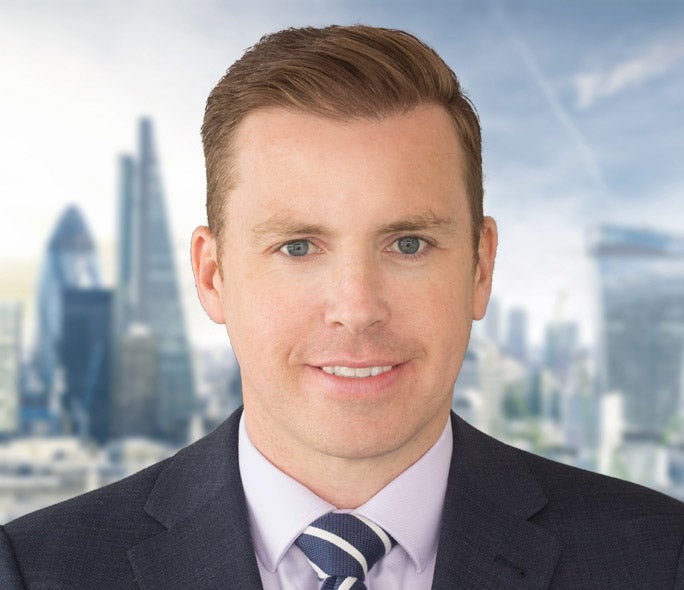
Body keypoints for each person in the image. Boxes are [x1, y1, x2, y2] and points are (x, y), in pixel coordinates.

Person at [1, 24, 683, 590]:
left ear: (480, 268)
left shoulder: (660, 558)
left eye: (408, 244)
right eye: (298, 247)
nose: (356, 309)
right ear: (212, 276)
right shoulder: (34, 571)